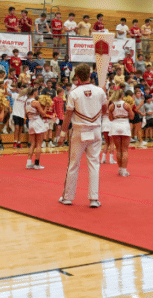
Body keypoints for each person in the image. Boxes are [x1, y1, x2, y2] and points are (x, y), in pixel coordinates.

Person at [58, 63, 107, 207]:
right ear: (90, 74)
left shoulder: (74, 93)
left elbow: (68, 114)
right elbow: (105, 109)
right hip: (95, 130)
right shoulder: (100, 91)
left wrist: (62, 133)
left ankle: (67, 197)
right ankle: (94, 199)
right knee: (94, 164)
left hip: (79, 130)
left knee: (73, 165)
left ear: (77, 77)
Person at [108, 90, 134, 177]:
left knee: (118, 149)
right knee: (125, 150)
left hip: (115, 125)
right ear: (122, 95)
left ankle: (120, 169)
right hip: (124, 125)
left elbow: (110, 119)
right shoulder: (126, 105)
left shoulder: (112, 106)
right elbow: (131, 116)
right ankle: (124, 170)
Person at [25, 88, 49, 170]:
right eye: (37, 91)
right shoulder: (35, 102)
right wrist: (46, 106)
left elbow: (26, 113)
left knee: (32, 144)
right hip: (37, 122)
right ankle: (36, 163)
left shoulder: (27, 102)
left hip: (30, 122)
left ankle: (28, 163)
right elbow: (43, 114)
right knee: (39, 144)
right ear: (34, 92)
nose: (37, 93)